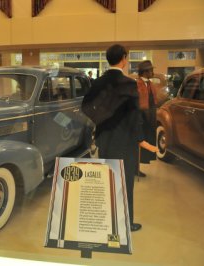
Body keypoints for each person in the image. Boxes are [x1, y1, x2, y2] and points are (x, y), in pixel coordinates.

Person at [82, 44, 158, 232]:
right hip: (125, 140)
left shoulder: (98, 81)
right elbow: (134, 116)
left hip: (104, 139)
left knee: (108, 180)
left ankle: (107, 218)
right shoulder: (128, 83)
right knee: (125, 183)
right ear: (124, 58)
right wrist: (141, 139)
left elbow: (85, 107)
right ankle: (127, 222)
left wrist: (101, 119)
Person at [136, 60, 158, 177]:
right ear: (145, 72)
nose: (153, 72)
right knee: (138, 143)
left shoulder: (150, 84)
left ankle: (137, 167)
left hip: (149, 119)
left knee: (146, 141)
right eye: (151, 70)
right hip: (140, 118)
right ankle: (135, 168)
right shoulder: (137, 84)